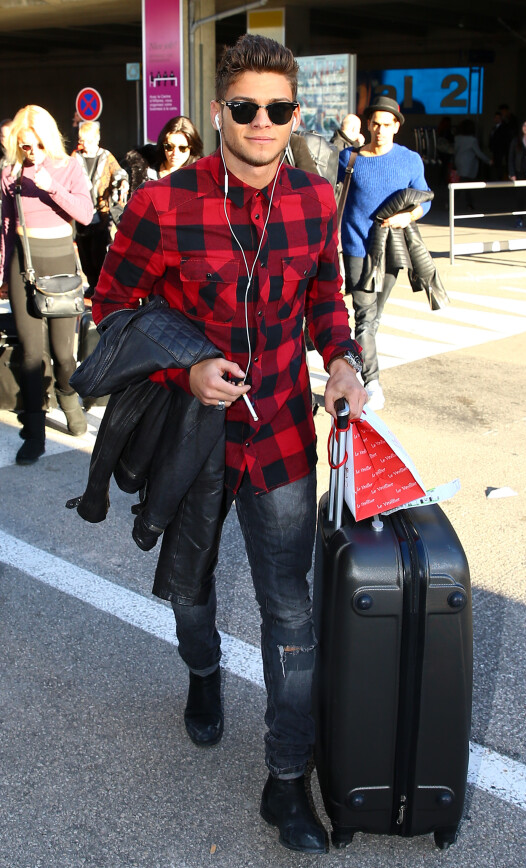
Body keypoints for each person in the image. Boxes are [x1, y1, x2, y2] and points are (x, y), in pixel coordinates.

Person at [91, 34, 366, 854]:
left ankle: (286, 784)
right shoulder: (160, 205)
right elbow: (113, 312)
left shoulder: (318, 199)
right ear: (219, 112)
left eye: (277, 109)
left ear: (294, 116)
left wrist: (344, 359)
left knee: (291, 614)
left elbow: (326, 297)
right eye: (244, 107)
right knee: (191, 590)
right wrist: (187, 370)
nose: (261, 123)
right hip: (192, 440)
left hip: (281, 435)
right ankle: (204, 675)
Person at [0, 105, 93, 464]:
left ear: (48, 138)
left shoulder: (68, 166)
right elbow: (6, 226)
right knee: (30, 355)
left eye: (37, 145)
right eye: (25, 146)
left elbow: (85, 215)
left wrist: (50, 186)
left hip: (60, 265)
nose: (32, 152)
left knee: (64, 355)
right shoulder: (10, 173)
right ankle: (34, 431)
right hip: (24, 264)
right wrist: (3, 274)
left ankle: (69, 398)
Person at [336, 94, 431, 411]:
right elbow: (327, 186)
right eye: (375, 123)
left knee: (374, 318)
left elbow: (425, 200)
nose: (379, 129)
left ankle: (356, 366)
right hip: (356, 246)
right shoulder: (349, 158)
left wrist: (409, 216)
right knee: (364, 317)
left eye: (386, 124)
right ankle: (372, 382)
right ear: (368, 124)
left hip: (392, 248)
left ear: (396, 127)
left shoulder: (409, 160)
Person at [72, 121, 128, 297]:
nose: (84, 145)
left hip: (101, 211)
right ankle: (91, 282)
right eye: (82, 141)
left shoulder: (106, 156)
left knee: (99, 250)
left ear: (97, 139)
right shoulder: (75, 156)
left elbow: (118, 173)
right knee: (84, 251)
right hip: (81, 211)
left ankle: (100, 285)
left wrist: (123, 183)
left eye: (88, 141)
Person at [453, 118, 492, 210]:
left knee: (461, 183)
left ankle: (455, 202)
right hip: (468, 165)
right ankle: (467, 204)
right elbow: (478, 153)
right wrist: (488, 160)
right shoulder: (472, 140)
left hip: (459, 162)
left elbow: (455, 150)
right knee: (465, 185)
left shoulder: (457, 138)